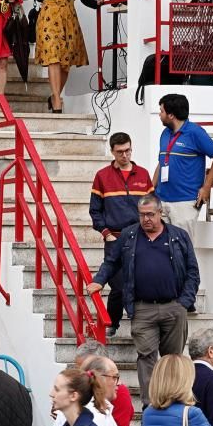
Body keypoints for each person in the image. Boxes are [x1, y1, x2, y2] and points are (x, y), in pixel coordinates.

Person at [87, 194, 199, 408]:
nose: (146, 219)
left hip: (174, 307)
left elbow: (193, 272)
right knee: (146, 356)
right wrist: (99, 280)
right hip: (142, 308)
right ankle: (151, 405)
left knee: (172, 358)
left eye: (150, 215)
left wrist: (184, 302)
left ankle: (174, 401)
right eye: (142, 215)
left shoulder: (179, 236)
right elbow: (111, 262)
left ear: (160, 213)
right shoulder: (129, 236)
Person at [89, 132, 155, 337]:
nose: (125, 155)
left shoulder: (143, 174)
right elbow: (95, 209)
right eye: (120, 152)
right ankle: (112, 323)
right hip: (115, 237)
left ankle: (140, 324)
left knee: (141, 280)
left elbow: (152, 205)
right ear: (112, 152)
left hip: (141, 237)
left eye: (128, 150)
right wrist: (106, 232)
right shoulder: (102, 176)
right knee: (117, 283)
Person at [32, 0, 104, 113]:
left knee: (65, 63)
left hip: (68, 19)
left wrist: (97, 3)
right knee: (53, 58)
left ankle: (54, 94)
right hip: (48, 18)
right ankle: (57, 100)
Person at [151, 94, 213, 240]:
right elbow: (162, 162)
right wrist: (150, 188)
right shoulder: (165, 133)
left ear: (171, 115)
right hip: (161, 201)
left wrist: (206, 188)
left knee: (181, 249)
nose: (159, 115)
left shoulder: (195, 132)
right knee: (160, 249)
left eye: (161, 111)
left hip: (185, 202)